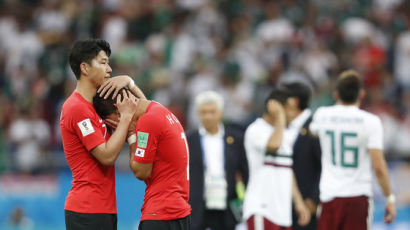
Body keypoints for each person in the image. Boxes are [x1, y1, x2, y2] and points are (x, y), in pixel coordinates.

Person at [60, 38, 141, 230]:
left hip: (105, 208)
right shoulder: (76, 108)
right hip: (86, 210)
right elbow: (106, 156)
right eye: (103, 62)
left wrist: (130, 83)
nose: (110, 69)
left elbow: (148, 114)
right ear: (85, 68)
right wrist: (125, 120)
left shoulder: (99, 105)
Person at [309, 69, 396, 230]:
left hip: (329, 196)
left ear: (336, 95)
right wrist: (389, 198)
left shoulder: (322, 115)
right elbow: (378, 167)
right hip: (357, 196)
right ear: (361, 94)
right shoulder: (370, 121)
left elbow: (311, 133)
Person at [93, 88, 191, 230]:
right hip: (179, 212)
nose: (119, 128)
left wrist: (132, 135)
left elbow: (141, 171)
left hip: (161, 214)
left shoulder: (148, 121)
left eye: (115, 123)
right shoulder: (160, 110)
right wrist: (130, 84)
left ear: (119, 108)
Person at [242, 88, 310, 230]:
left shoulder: (285, 133)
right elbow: (273, 146)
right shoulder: (255, 130)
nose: (292, 114)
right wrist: (280, 118)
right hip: (261, 209)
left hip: (282, 212)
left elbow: (287, 169)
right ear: (274, 108)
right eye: (289, 109)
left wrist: (298, 202)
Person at [187, 91, 248, 230]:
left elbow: (245, 172)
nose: (208, 116)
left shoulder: (236, 139)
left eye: (212, 112)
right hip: (198, 204)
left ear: (220, 112)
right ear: (198, 113)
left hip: (227, 204)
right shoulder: (189, 140)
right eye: (204, 112)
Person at [281, 82, 321, 230]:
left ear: (294, 101)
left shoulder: (314, 127)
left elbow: (324, 166)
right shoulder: (283, 127)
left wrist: (314, 199)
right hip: (284, 206)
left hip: (306, 205)